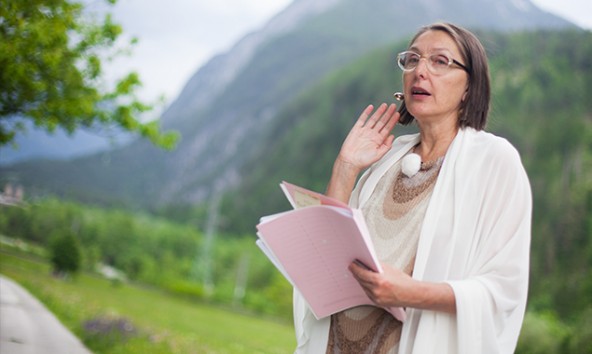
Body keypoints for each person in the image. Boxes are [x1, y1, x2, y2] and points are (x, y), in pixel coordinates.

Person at [293, 22, 532, 354]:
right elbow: (326, 256)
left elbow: (504, 290)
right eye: (413, 59)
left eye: (440, 61)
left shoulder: (493, 161)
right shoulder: (388, 159)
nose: (420, 71)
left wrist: (410, 293)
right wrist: (346, 167)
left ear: (469, 86)